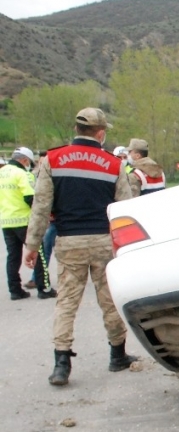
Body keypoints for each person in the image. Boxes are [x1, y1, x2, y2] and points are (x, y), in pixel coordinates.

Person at [24, 107, 138, 386]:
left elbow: (41, 208)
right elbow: (123, 210)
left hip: (69, 242)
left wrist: (31, 245)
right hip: (102, 242)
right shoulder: (113, 164)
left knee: (66, 302)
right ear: (100, 134)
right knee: (109, 299)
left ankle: (61, 363)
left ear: (76, 130)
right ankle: (117, 355)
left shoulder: (53, 160)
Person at [1, 146, 56, 300]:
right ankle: (43, 288)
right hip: (25, 222)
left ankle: (15, 290)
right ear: (24, 160)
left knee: (13, 257)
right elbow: (30, 198)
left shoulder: (1, 173)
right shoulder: (22, 174)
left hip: (7, 222)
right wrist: (45, 215)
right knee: (38, 254)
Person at [25, 151, 57, 291]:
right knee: (46, 248)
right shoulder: (35, 175)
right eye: (40, 161)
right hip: (48, 219)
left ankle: (37, 279)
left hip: (56, 218)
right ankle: (35, 278)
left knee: (48, 249)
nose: (42, 163)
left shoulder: (54, 175)